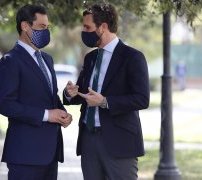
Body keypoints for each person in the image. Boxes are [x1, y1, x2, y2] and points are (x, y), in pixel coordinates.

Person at [63, 3, 150, 180]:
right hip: (88, 140)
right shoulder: (90, 58)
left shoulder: (132, 57)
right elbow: (82, 93)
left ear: (103, 27)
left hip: (119, 142)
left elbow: (142, 99)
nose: (84, 31)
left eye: (88, 27)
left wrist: (104, 101)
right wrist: (69, 93)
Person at [0, 4, 72, 180]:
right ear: (25, 26)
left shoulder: (47, 59)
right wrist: (47, 115)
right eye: (41, 27)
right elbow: (6, 105)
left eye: (47, 27)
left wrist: (62, 113)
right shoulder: (10, 61)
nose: (45, 32)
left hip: (51, 154)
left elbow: (50, 97)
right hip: (25, 155)